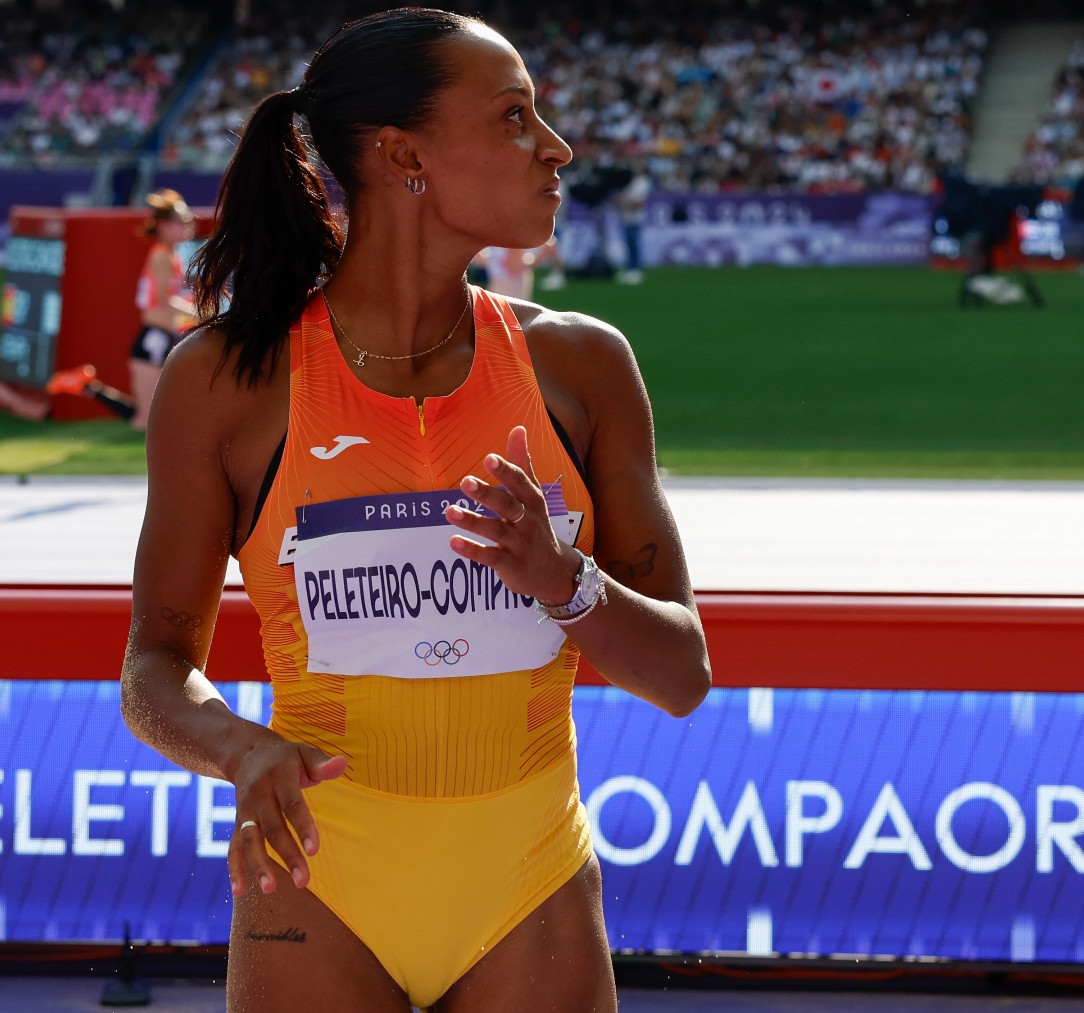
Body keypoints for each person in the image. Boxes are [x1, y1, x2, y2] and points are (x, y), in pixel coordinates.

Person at [120, 9, 711, 1012]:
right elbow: (154, 670)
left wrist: (565, 581)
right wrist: (239, 745)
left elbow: (682, 673)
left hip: (527, 872)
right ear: (404, 155)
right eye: (517, 117)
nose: (558, 147)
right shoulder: (227, 379)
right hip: (320, 871)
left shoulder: (582, 366)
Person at [127, 188, 199, 430]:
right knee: (145, 420)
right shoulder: (162, 256)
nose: (189, 225)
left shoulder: (172, 256)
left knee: (160, 416)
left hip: (166, 337)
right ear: (164, 226)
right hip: (154, 338)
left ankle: (90, 389)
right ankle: (89, 389)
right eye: (182, 221)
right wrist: (202, 314)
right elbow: (164, 302)